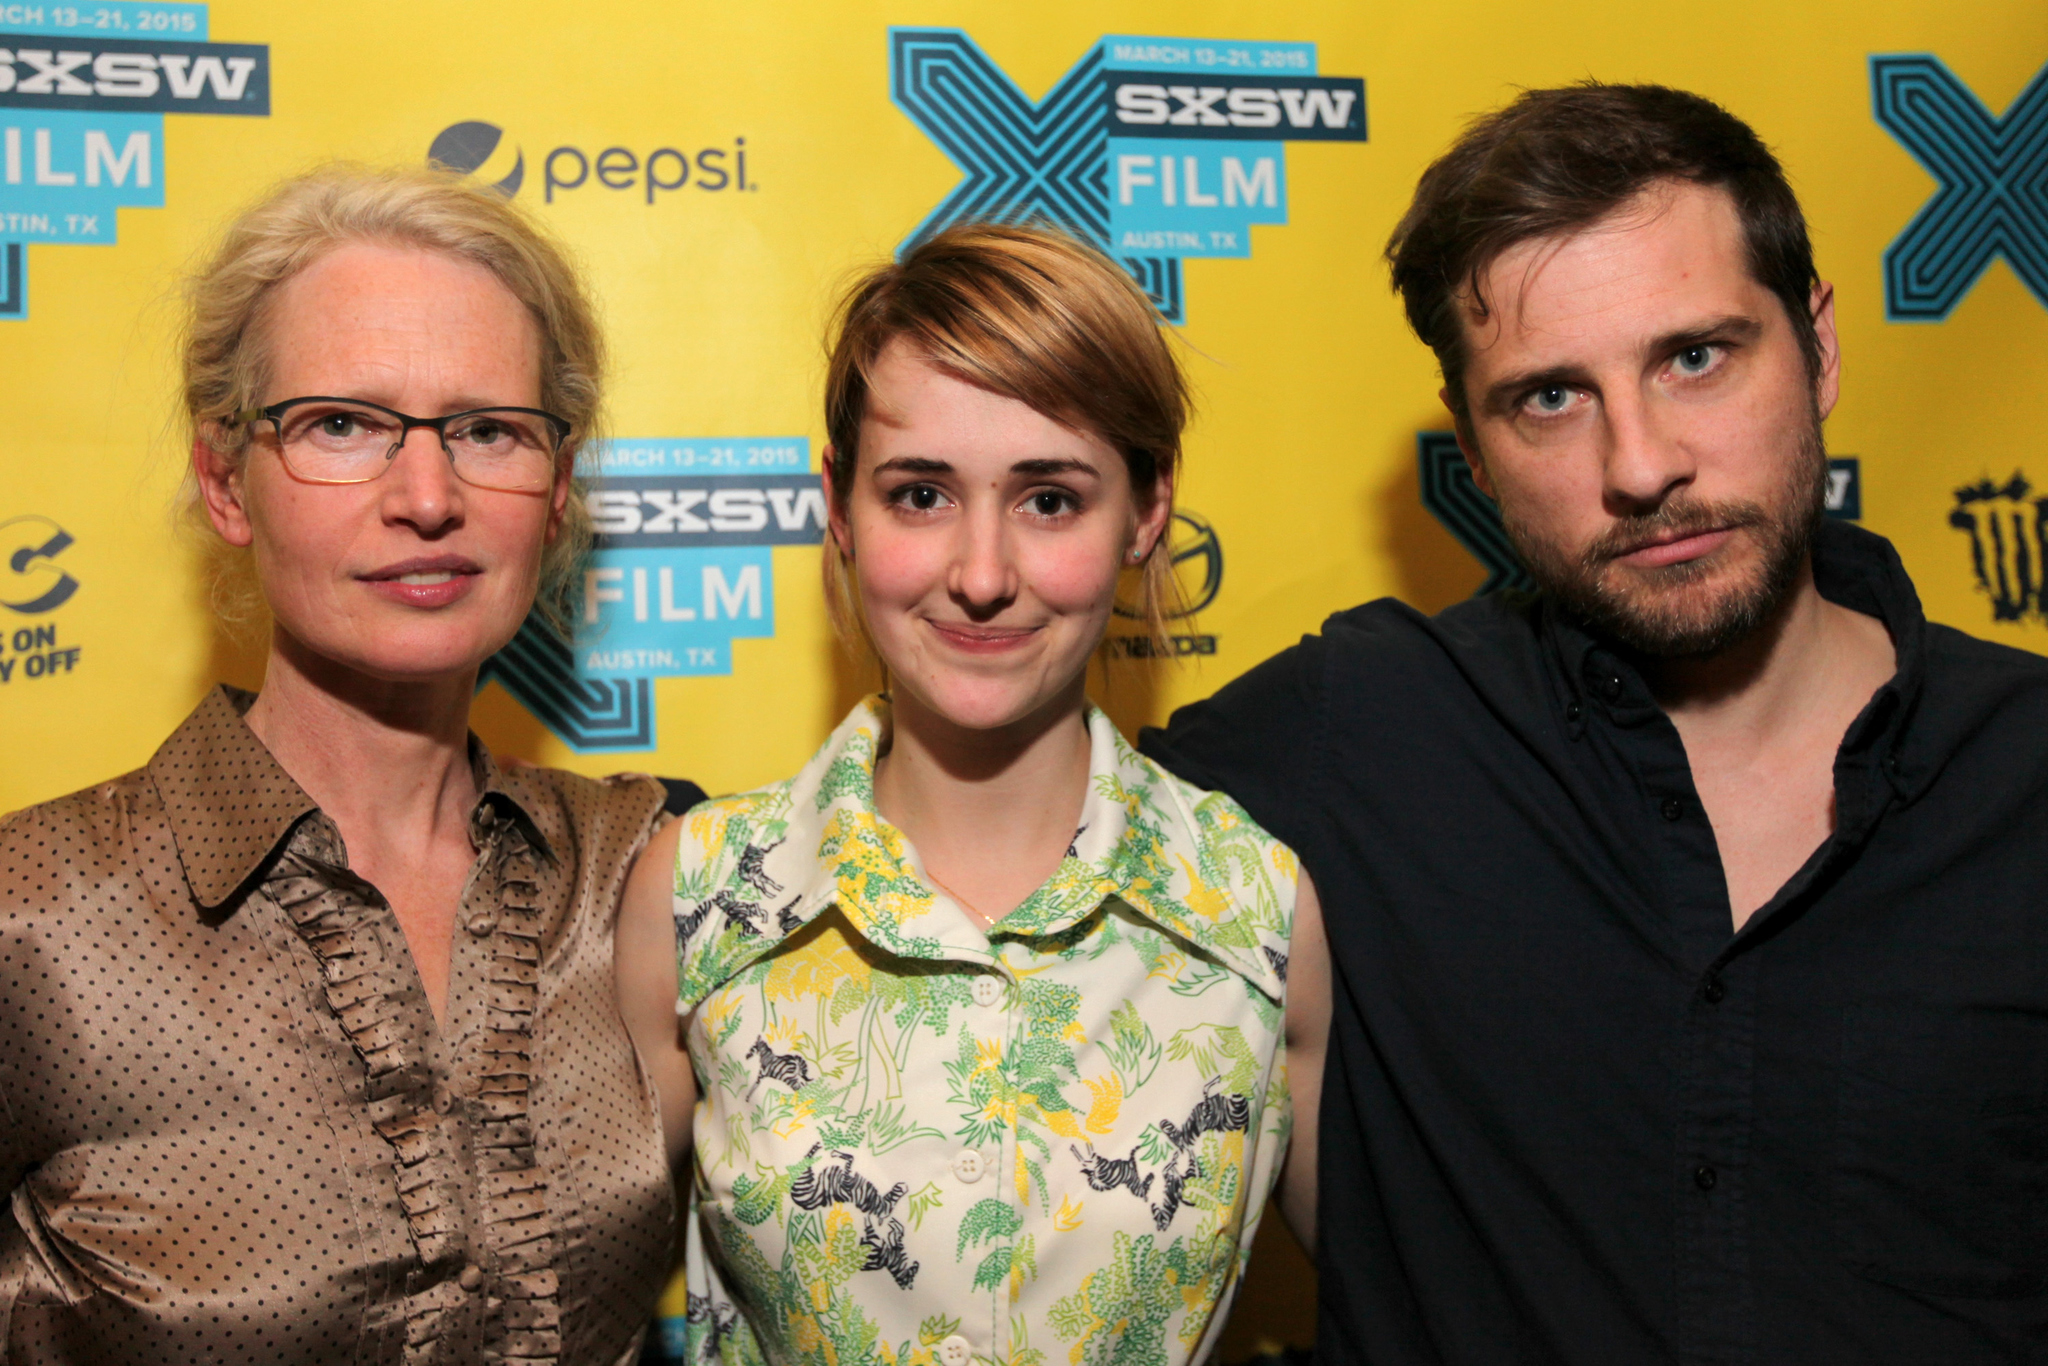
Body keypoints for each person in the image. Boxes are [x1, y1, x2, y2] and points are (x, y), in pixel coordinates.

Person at [1142, 83, 2048, 1363]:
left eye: (1694, 356)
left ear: (1819, 347)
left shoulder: (2026, 773)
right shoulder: (1367, 730)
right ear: (1471, 443)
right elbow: (979, 838)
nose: (1638, 465)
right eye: (1549, 398)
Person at [0, 165, 690, 1363]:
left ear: (557, 487)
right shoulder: (32, 915)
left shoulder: (643, 875)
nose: (427, 496)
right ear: (226, 481)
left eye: (487, 430)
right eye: (342, 425)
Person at [616, 223, 1330, 1365]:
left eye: (1049, 499)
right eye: (919, 495)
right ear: (838, 510)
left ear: (1145, 514)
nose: (982, 574)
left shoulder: (1257, 908)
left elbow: (1435, 1297)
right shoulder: (698, 893)